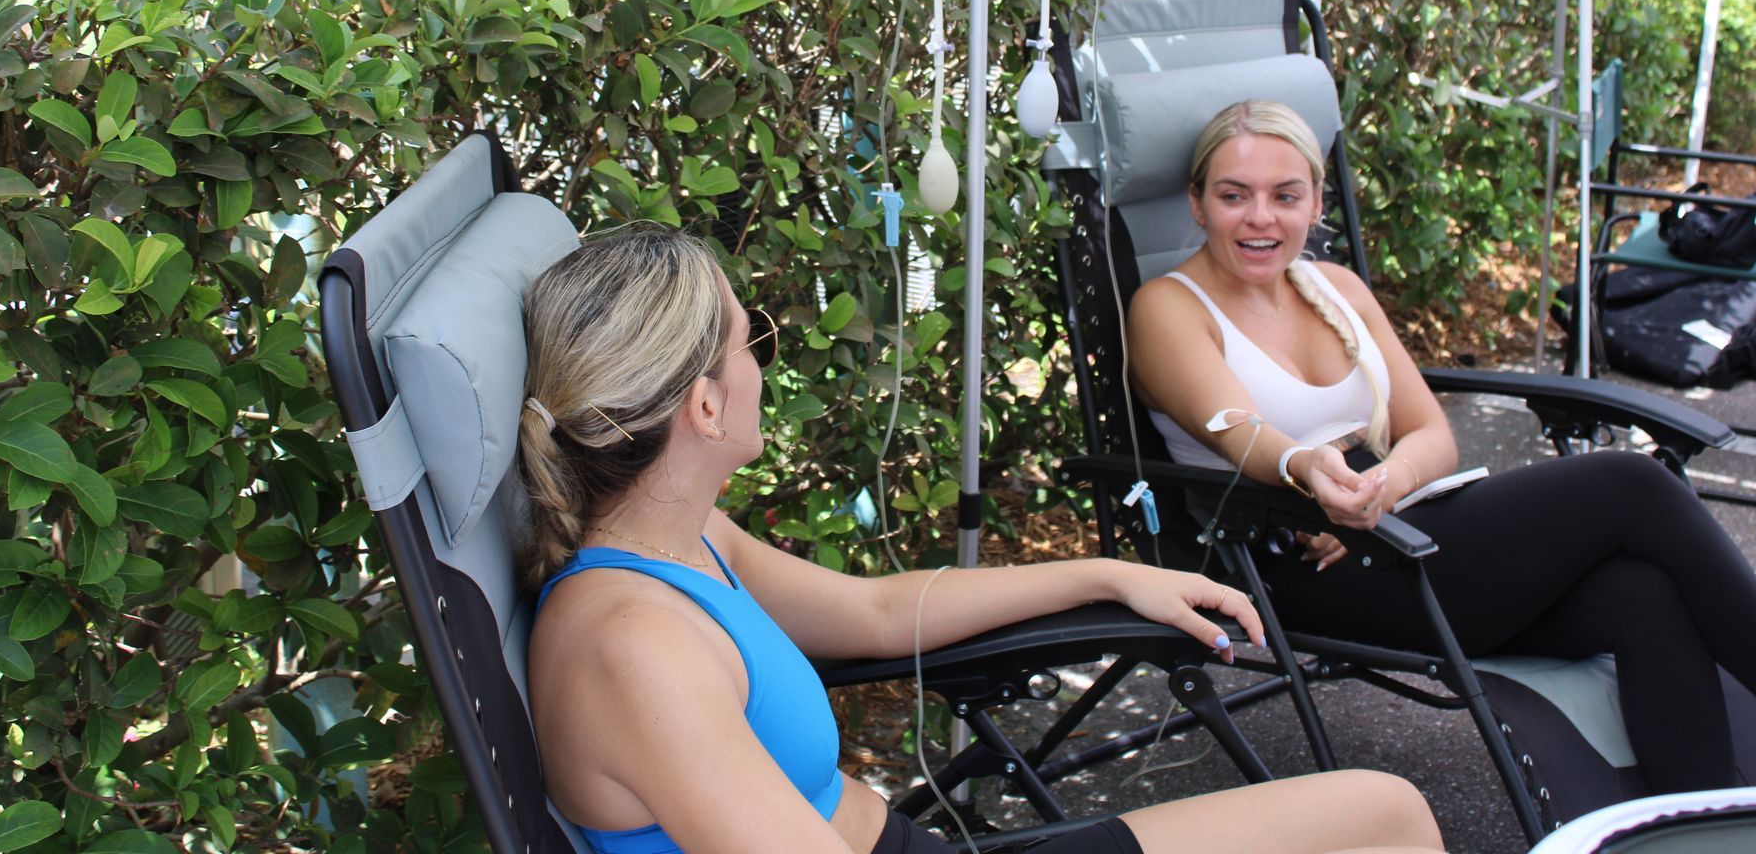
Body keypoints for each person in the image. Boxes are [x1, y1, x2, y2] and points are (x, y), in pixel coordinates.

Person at [516, 224, 1446, 854]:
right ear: (706, 406)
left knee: (1380, 814)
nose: (762, 360)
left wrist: (1110, 576)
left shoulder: (678, 540)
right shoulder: (631, 646)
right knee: (1381, 824)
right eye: (746, 338)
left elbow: (877, 611)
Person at [1127, 99, 1756, 796]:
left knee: (1643, 595)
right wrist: (1307, 472)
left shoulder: (1338, 289)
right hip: (1293, 564)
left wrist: (1379, 486)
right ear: (1197, 204)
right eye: (1233, 195)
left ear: (1316, 204)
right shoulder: (1169, 307)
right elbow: (1236, 428)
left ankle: (1705, 823)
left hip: (1402, 527)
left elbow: (1432, 435)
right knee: (1629, 484)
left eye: (1285, 195)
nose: (1260, 217)